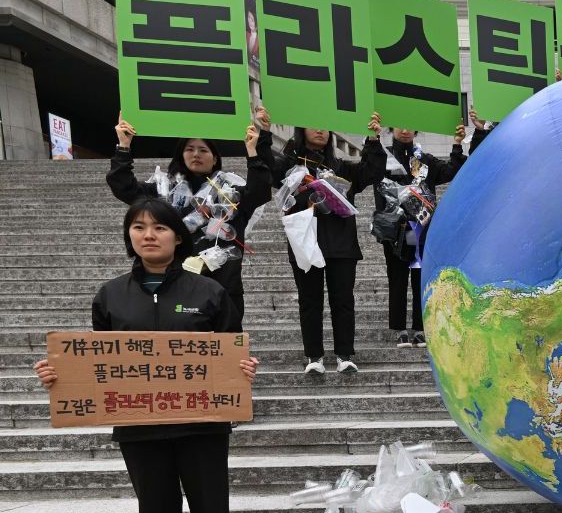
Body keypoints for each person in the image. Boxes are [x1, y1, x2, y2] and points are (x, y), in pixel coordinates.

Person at [32, 197, 258, 513]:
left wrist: (242, 368)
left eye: (159, 228)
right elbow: (96, 360)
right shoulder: (110, 296)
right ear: (128, 236)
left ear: (177, 237)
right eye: (138, 227)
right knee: (155, 504)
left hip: (201, 421)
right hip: (138, 422)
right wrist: (60, 375)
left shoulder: (209, 291)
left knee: (210, 503)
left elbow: (230, 350)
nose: (148, 235)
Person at [107, 108, 274, 331]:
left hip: (223, 286)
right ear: (181, 155)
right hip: (172, 287)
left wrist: (254, 150)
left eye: (203, 150)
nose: (196, 154)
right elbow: (123, 187)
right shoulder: (163, 192)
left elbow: (260, 190)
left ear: (215, 158)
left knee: (226, 352)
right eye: (190, 149)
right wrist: (123, 146)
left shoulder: (230, 194)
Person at [267, 115, 386, 375]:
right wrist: (264, 133)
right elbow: (269, 171)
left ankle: (345, 355)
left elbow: (372, 172)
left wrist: (374, 140)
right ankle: (314, 357)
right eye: (313, 123)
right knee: (309, 301)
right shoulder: (291, 168)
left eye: (324, 125)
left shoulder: (341, 168)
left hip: (341, 244)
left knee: (343, 300)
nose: (320, 129)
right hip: (305, 242)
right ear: (301, 129)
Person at [374, 124, 468, 347]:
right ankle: (399, 329)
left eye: (410, 127)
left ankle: (420, 327)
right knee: (396, 279)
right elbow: (369, 172)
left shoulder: (425, 160)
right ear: (391, 129)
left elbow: (451, 170)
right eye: (399, 126)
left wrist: (456, 144)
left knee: (420, 278)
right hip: (395, 230)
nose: (405, 130)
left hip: (421, 230)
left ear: (416, 131)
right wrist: (372, 140)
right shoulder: (383, 157)